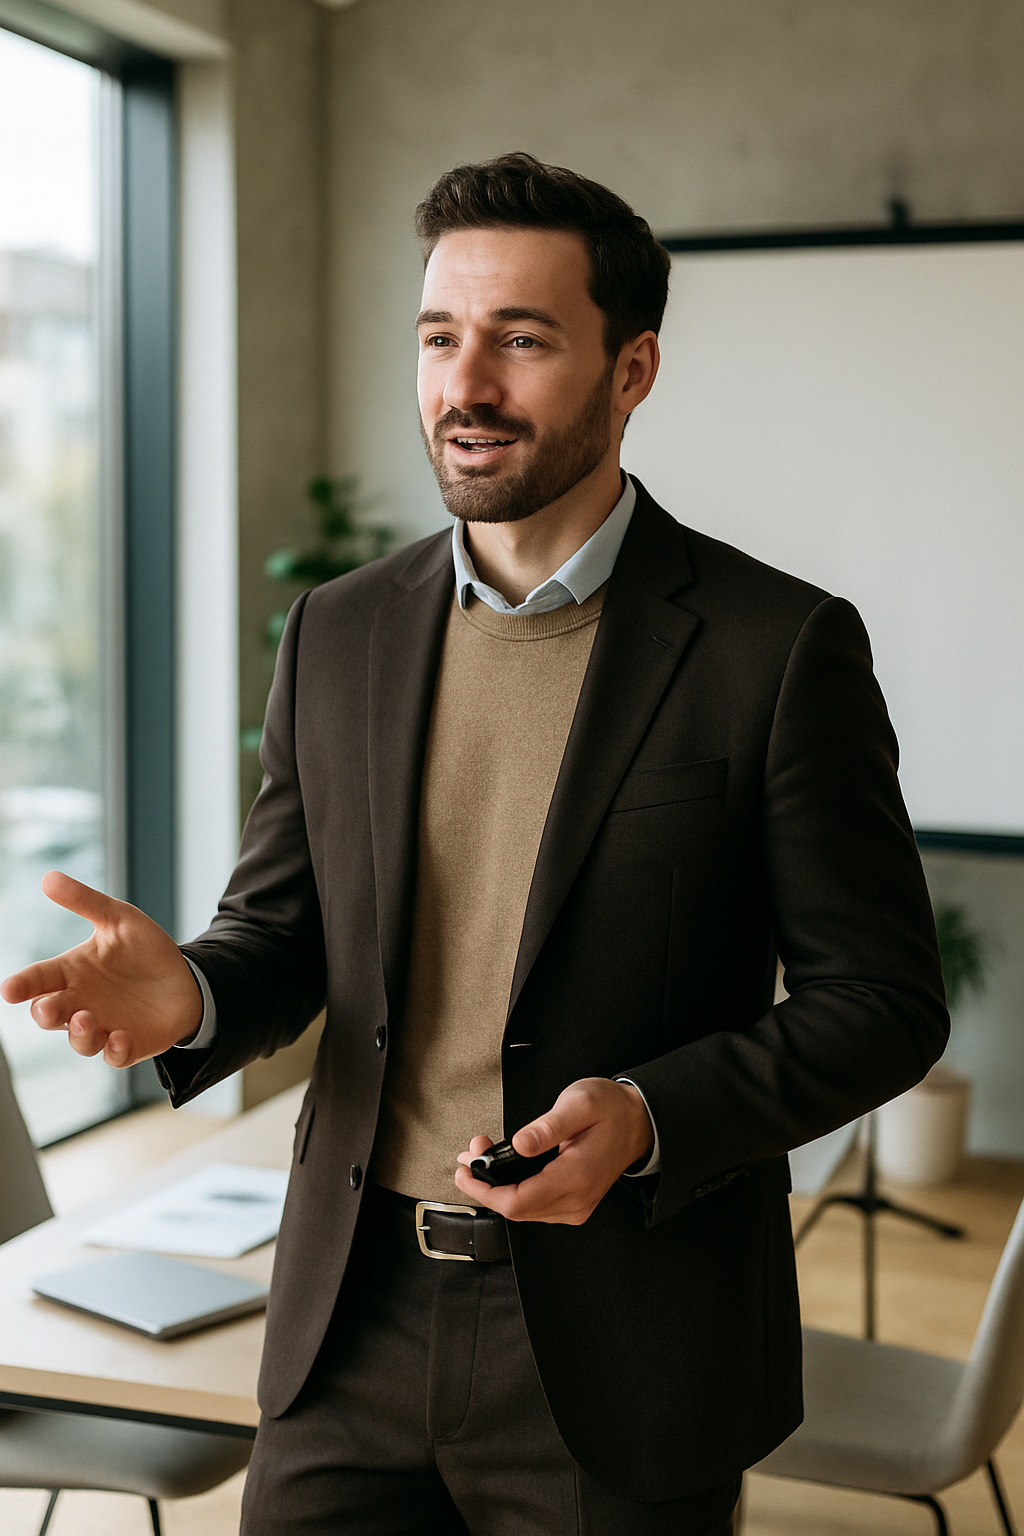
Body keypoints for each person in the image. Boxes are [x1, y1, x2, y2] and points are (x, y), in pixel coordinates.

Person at [1, 152, 948, 1535]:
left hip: (621, 1339)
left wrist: (649, 1115)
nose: (468, 385)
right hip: (347, 1320)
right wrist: (196, 993)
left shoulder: (777, 649)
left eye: (523, 338)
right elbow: (288, 935)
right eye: (441, 336)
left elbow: (884, 1006)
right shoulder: (340, 630)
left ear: (633, 372)